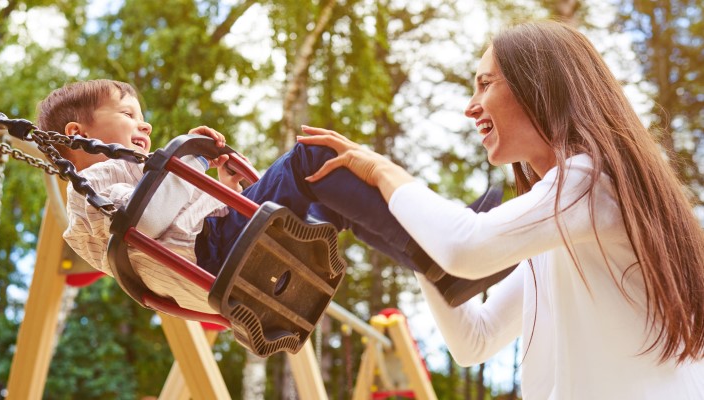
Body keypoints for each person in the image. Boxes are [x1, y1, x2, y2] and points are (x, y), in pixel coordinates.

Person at [297, 20, 704, 399]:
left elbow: (467, 248)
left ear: (539, 86)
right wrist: (412, 240)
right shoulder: (563, 229)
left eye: (485, 84)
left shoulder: (593, 181)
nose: (471, 106)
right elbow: (475, 339)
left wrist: (382, 170)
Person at [36, 79, 503, 315]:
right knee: (313, 158)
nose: (145, 125)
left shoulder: (134, 174)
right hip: (215, 254)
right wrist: (189, 162)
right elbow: (146, 221)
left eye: (143, 116)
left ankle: (438, 265)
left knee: (333, 196)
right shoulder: (93, 184)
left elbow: (180, 217)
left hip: (218, 252)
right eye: (127, 113)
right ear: (79, 134)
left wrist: (225, 186)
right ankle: (444, 243)